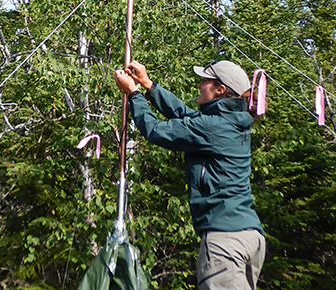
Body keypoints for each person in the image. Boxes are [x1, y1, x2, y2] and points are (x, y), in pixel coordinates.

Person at [114, 60, 266, 290]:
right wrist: (148, 85)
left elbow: (156, 131)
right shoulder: (231, 121)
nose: (199, 85)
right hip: (248, 237)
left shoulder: (213, 127)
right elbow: (184, 114)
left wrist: (134, 95)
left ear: (220, 90)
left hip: (225, 240)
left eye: (205, 81)